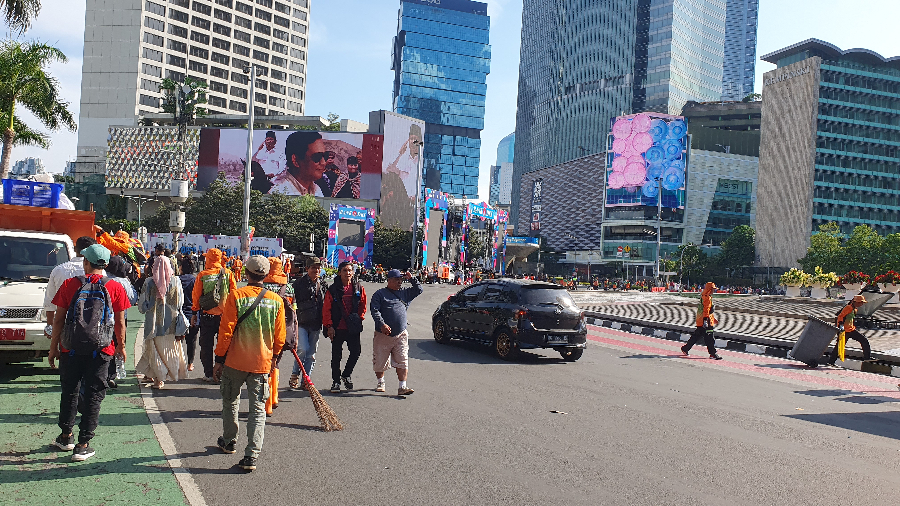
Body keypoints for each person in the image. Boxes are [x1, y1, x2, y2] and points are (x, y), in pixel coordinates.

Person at [48, 244, 131, 462]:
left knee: (70, 391)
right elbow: (120, 323)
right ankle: (83, 444)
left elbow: (58, 319)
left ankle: (66, 436)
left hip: (71, 348)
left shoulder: (69, 284)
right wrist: (121, 347)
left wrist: (53, 346)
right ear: (104, 265)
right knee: (94, 393)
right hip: (102, 349)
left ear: (86, 262)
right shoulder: (115, 287)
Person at [213, 256, 285, 472]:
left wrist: (219, 359)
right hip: (262, 363)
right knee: (257, 410)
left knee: (230, 401)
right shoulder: (277, 301)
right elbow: (280, 338)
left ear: (246, 273)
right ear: (266, 275)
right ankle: (252, 455)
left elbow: (225, 332)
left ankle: (229, 441)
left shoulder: (237, 296)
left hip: (235, 361)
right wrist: (273, 358)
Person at [135, 251, 188, 389]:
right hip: (171, 324)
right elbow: (180, 303)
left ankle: (159, 379)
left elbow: (142, 306)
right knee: (169, 351)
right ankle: (161, 374)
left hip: (153, 324)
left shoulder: (149, 282)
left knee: (154, 351)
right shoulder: (176, 281)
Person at [370, 269, 423, 395]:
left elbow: (419, 289)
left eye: (401, 279)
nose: (399, 282)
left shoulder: (405, 293)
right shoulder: (380, 294)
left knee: (403, 360)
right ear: (389, 280)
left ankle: (402, 387)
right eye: (396, 279)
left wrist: (411, 278)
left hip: (401, 334)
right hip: (383, 334)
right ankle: (380, 382)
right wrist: (381, 324)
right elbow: (375, 310)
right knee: (380, 360)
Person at [191, 248, 238, 383]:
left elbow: (196, 296)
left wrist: (194, 313)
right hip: (225, 316)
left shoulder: (202, 275)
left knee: (206, 345)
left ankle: (208, 374)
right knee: (224, 344)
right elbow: (234, 294)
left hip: (207, 316)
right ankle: (222, 371)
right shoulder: (228, 274)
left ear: (208, 259)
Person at [323, 261, 366, 393]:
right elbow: (326, 309)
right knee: (336, 356)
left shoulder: (358, 288)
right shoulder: (332, 289)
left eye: (350, 270)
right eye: (345, 270)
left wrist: (358, 318)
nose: (348, 273)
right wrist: (329, 326)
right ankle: (336, 382)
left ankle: (346, 375)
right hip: (337, 328)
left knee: (356, 352)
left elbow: (363, 305)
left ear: (353, 272)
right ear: (339, 272)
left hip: (352, 328)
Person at [262, 257, 295, 416]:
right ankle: (274, 397)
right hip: (282, 331)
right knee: (275, 363)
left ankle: (266, 405)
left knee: (265, 366)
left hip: (263, 330)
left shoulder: (262, 285)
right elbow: (293, 311)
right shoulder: (288, 287)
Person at [289, 257, 326, 389]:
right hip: (301, 322)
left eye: (318, 268)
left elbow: (326, 304)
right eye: (313, 267)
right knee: (302, 349)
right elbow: (291, 302)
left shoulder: (322, 284)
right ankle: (295, 374)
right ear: (307, 269)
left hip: (316, 323)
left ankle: (306, 378)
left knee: (311, 354)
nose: (316, 270)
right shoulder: (298, 284)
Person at [104, 255, 139, 388]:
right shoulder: (123, 281)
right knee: (117, 344)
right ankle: (111, 375)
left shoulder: (103, 277)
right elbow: (132, 298)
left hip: (102, 318)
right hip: (120, 318)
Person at [270, 131, 328, 196]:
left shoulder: (316, 189)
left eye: (325, 156)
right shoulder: (279, 193)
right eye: (317, 157)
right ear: (295, 160)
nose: (323, 163)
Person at [681, 282, 722, 360]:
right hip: (706, 322)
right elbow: (706, 311)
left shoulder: (703, 297)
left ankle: (685, 348)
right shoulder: (707, 298)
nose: (714, 291)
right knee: (710, 338)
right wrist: (706, 321)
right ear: (709, 289)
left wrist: (713, 319)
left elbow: (705, 310)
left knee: (696, 337)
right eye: (713, 289)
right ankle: (713, 354)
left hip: (701, 320)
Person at [829, 294, 872, 366]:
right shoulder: (848, 307)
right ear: (856, 302)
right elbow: (840, 316)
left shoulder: (854, 309)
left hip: (851, 330)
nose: (861, 304)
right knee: (839, 346)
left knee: (864, 340)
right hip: (844, 331)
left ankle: (867, 358)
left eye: (862, 303)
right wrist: (840, 327)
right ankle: (831, 362)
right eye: (861, 302)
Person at [179, 258, 200, 372]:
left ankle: (178, 363)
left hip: (179, 314)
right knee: (191, 341)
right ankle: (190, 364)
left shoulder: (177, 280)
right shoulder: (195, 280)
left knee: (178, 340)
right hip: (193, 313)